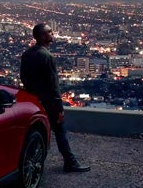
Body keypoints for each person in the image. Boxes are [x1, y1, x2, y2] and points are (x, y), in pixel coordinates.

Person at [20, 23, 91, 173]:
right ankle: (70, 162)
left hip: (32, 99)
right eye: (49, 32)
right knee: (60, 131)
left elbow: (24, 78)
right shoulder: (47, 56)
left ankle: (31, 161)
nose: (52, 34)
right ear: (42, 36)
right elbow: (53, 86)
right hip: (49, 101)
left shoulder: (27, 54)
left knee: (35, 132)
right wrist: (58, 108)